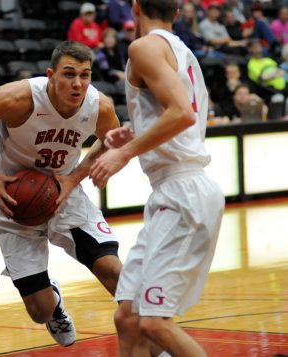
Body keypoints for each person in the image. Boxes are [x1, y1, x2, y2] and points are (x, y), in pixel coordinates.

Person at [0, 40, 123, 347]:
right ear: (51, 75)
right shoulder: (19, 99)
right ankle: (52, 301)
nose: (78, 83)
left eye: (85, 75)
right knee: (39, 311)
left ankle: (156, 342)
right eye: (69, 74)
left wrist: (75, 177)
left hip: (64, 195)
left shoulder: (99, 106)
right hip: (13, 203)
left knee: (114, 270)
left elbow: (112, 138)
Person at [89, 0, 224, 356]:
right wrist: (135, 133)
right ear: (176, 13)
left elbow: (181, 114)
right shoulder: (182, 50)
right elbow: (177, 112)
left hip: (183, 190)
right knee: (129, 317)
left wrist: (123, 153)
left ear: (134, 8)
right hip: (172, 191)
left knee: (153, 322)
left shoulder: (144, 46)